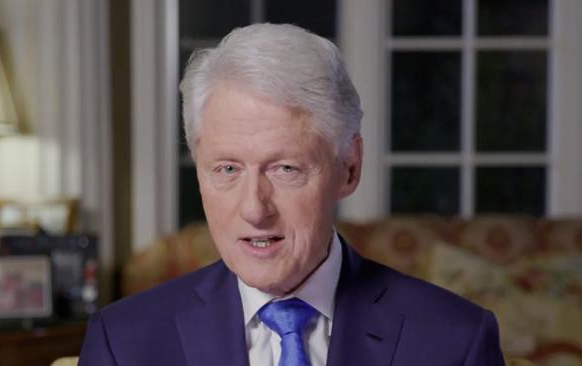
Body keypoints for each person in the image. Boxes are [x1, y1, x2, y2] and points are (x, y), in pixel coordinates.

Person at [78, 23, 505, 366]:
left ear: (349, 167)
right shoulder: (124, 343)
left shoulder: (454, 341)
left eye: (285, 169)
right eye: (227, 169)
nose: (254, 209)